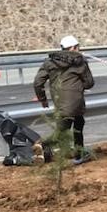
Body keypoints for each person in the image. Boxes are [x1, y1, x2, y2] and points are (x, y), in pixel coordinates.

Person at [33, 34, 95, 163]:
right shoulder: (79, 62)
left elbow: (38, 82)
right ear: (73, 48)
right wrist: (78, 87)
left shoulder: (50, 62)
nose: (79, 49)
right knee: (64, 130)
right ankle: (43, 145)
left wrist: (42, 99)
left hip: (59, 100)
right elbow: (89, 83)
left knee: (77, 122)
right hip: (76, 100)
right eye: (78, 47)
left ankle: (79, 153)